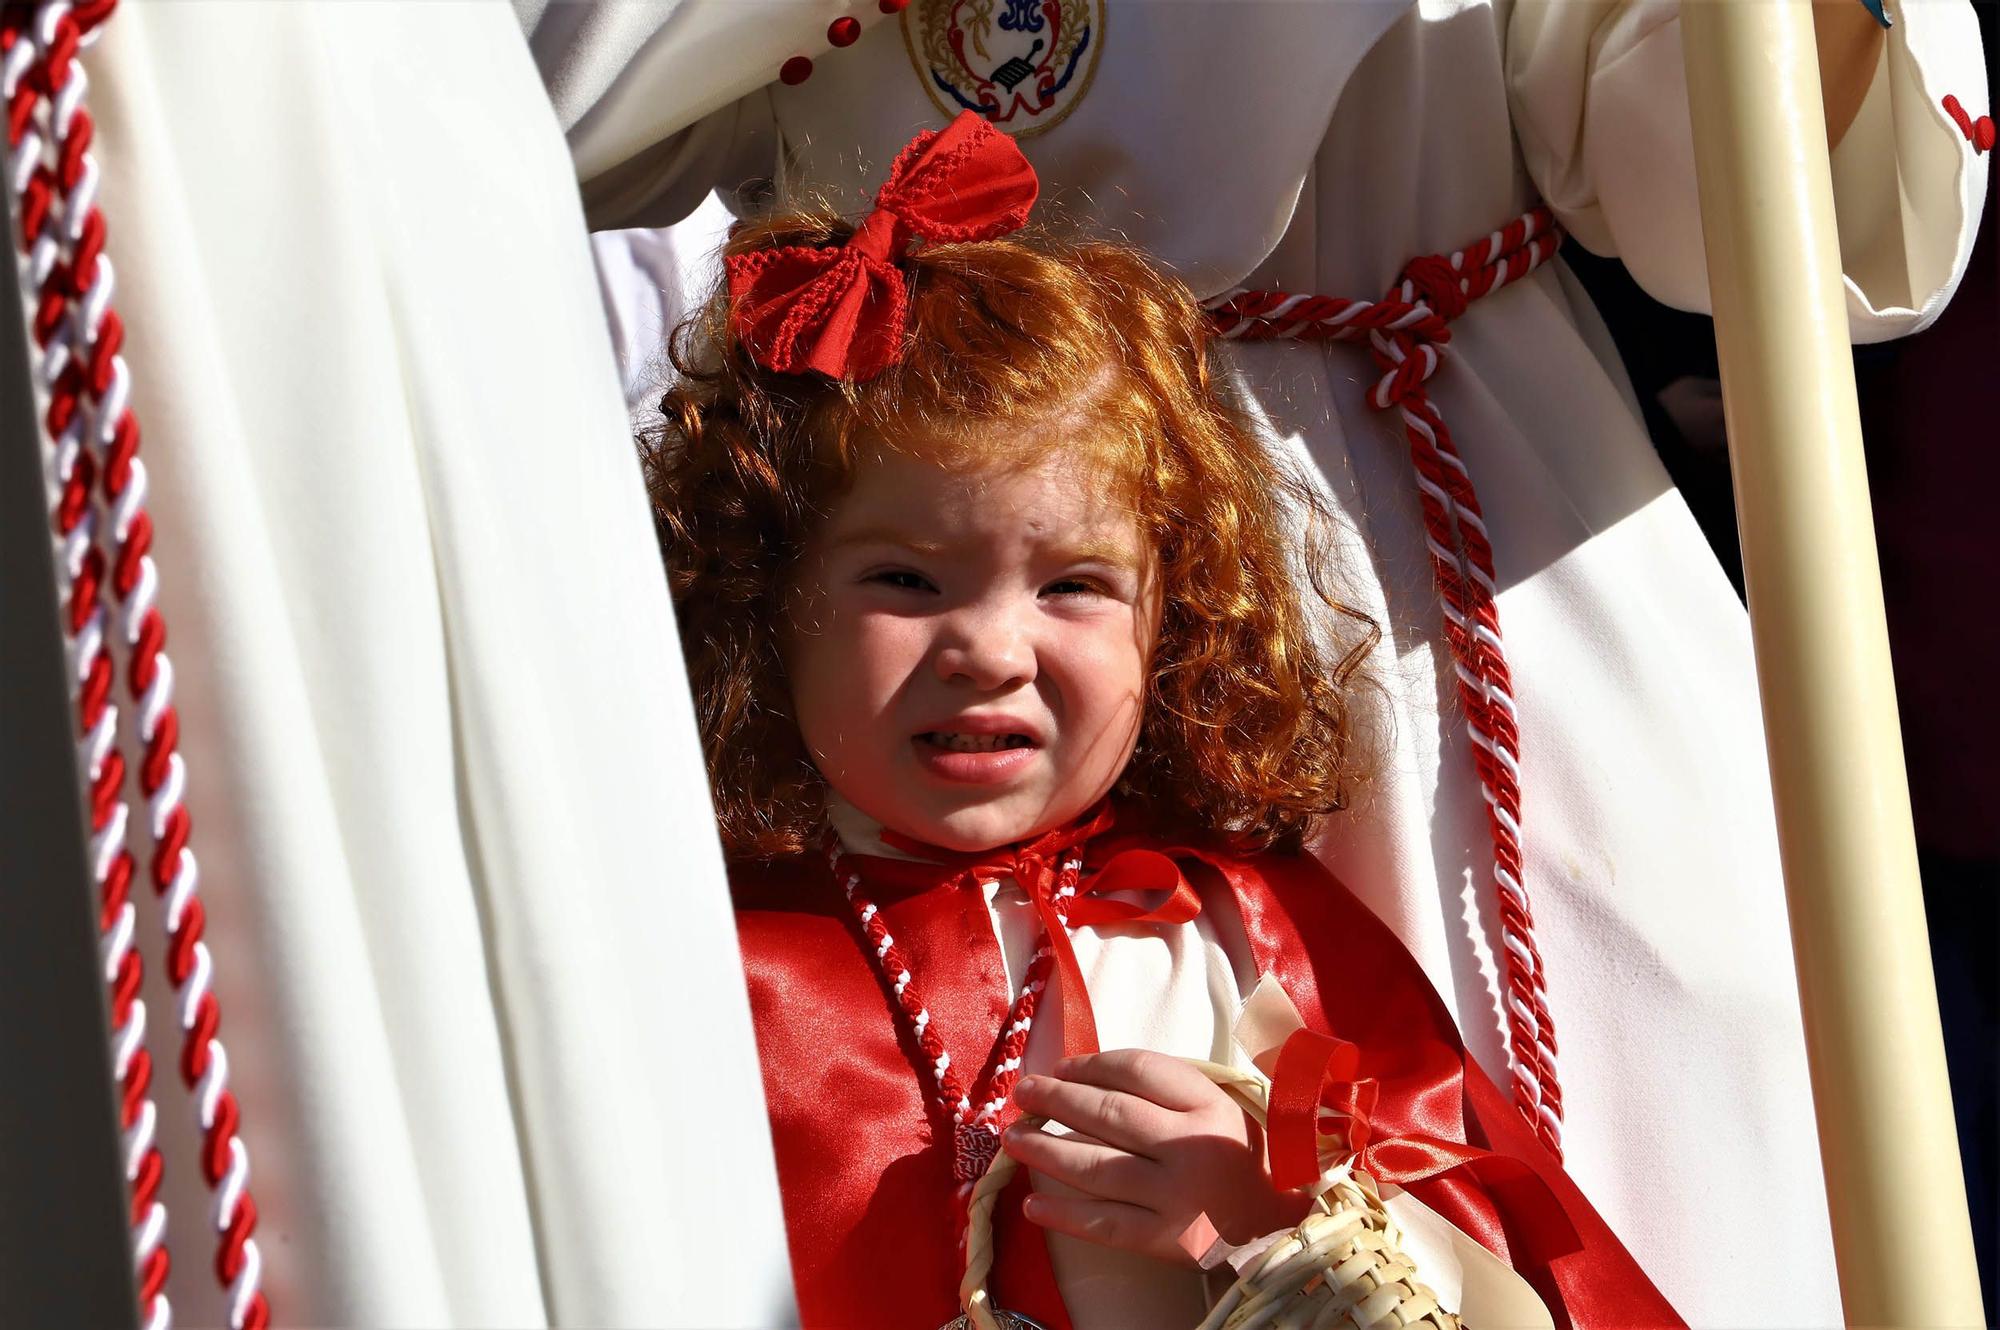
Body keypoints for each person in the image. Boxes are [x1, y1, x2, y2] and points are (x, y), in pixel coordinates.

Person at [544, 2, 1990, 1320]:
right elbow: (507, 93)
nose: (998, 646)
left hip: (1465, 596)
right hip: (889, 480)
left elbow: (1739, 177)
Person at [647, 109, 1682, 1328]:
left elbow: (1492, 1281)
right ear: (766, 598)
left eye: (1072, 586)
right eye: (904, 581)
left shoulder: (1256, 937)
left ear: (1168, 618)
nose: (988, 647)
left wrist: (1275, 1221)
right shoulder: (699, 967)